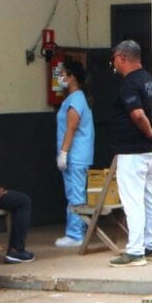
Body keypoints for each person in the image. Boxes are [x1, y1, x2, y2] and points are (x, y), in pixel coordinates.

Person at [109, 40, 152, 267]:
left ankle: (136, 251)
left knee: (133, 201)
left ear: (121, 57)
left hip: (132, 150)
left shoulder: (128, 83)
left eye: (114, 60)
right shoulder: (149, 80)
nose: (114, 64)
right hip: (150, 152)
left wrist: (148, 133)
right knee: (150, 199)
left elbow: (137, 115)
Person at [54, 60, 94, 248]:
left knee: (75, 194)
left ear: (72, 77)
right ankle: (78, 231)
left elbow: (72, 127)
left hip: (75, 156)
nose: (60, 77)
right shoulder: (74, 98)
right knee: (75, 193)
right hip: (77, 155)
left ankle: (75, 234)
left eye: (62, 74)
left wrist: (63, 153)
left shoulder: (76, 98)